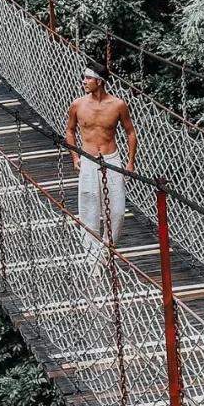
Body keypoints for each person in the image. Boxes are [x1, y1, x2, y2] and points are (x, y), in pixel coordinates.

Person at [65, 62, 138, 268]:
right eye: (84, 78)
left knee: (117, 212)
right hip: (88, 160)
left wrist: (130, 162)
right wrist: (75, 157)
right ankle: (93, 260)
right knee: (88, 211)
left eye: (88, 78)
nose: (84, 82)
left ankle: (106, 250)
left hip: (111, 160)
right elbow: (70, 131)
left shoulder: (118, 105)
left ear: (100, 81)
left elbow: (130, 132)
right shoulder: (77, 105)